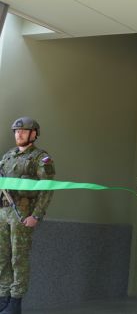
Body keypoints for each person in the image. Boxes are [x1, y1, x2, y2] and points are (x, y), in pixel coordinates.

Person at [0, 117, 55, 314]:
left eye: (23, 131)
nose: (19, 134)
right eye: (16, 131)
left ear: (34, 134)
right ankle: (3, 298)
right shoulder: (8, 156)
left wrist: (36, 215)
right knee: (2, 257)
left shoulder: (41, 158)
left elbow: (47, 188)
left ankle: (15, 303)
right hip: (3, 211)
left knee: (18, 258)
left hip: (22, 212)